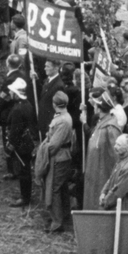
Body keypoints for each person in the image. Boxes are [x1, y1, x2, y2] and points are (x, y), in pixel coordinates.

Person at [83, 91, 122, 210]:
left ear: (99, 109)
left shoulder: (110, 128)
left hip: (103, 175)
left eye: (95, 105)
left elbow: (116, 156)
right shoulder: (101, 123)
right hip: (95, 173)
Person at [41, 92, 73, 234]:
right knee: (62, 188)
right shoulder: (64, 117)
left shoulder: (62, 121)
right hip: (62, 157)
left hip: (59, 158)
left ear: (54, 104)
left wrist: (43, 152)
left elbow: (54, 145)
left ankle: (57, 222)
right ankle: (64, 214)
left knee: (54, 188)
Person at [6, 78, 37, 208]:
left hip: (21, 145)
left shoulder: (18, 109)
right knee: (25, 170)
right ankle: (26, 195)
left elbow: (15, 130)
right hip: (27, 142)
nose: (10, 93)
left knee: (24, 171)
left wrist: (10, 146)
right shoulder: (27, 104)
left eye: (12, 91)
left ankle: (25, 197)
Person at [100, 134, 128, 211]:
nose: (115, 147)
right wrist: (103, 192)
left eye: (119, 145)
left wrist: (105, 202)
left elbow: (117, 192)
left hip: (124, 212)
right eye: (115, 143)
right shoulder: (121, 160)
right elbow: (111, 179)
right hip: (116, 209)